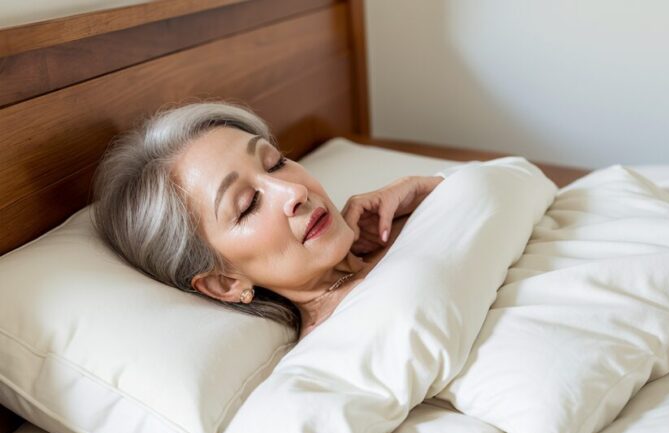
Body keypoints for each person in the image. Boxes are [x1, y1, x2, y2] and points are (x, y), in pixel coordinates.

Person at [92, 101, 443, 339]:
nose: (293, 192)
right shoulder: (341, 345)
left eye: (275, 162)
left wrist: (435, 191)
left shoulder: (413, 213)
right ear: (224, 282)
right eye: (248, 205)